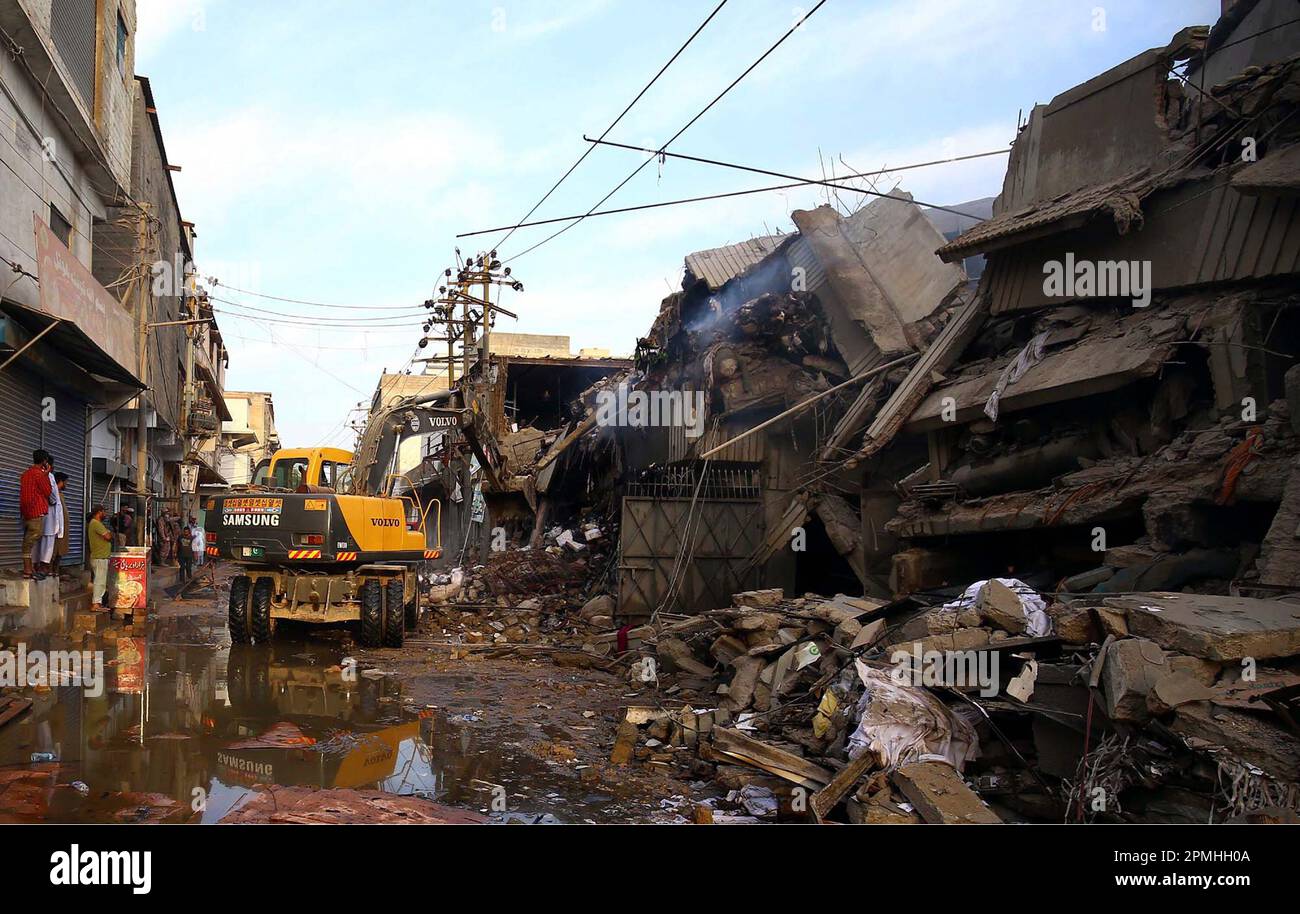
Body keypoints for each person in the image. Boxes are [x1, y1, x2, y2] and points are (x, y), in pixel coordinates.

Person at [19, 449, 52, 580]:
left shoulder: (25, 474)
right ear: (44, 461)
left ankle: (29, 568)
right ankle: (28, 569)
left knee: (29, 539)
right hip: (36, 511)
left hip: (25, 512)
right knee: (30, 540)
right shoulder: (39, 475)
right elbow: (48, 491)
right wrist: (47, 474)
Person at [38, 458, 63, 577]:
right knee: (47, 542)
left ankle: (40, 566)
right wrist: (52, 500)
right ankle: (43, 567)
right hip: (47, 516)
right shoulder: (48, 476)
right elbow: (52, 495)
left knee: (41, 541)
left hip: (44, 516)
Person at [86, 505, 113, 611]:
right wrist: (109, 533)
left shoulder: (96, 524)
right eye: (104, 512)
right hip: (99, 557)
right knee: (99, 581)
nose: (105, 514)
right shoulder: (96, 523)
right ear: (99, 512)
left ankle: (98, 603)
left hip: (100, 556)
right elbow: (108, 536)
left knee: (101, 581)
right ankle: (96, 604)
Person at [52, 472, 69, 572]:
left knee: (60, 551)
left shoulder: (60, 494)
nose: (66, 484)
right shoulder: (54, 494)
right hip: (55, 528)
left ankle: (55, 570)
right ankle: (50, 570)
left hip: (62, 529)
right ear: (60, 482)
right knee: (53, 550)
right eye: (65, 482)